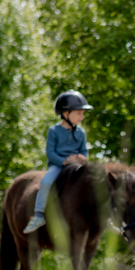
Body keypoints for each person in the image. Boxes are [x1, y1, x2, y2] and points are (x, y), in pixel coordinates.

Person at [23, 91, 92, 234]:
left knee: (95, 182)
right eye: (79, 113)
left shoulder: (81, 133)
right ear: (66, 113)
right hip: (58, 166)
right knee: (46, 182)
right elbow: (50, 153)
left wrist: (82, 158)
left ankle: (104, 216)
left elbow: (84, 151)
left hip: (78, 167)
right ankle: (39, 215)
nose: (82, 117)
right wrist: (64, 161)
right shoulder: (53, 131)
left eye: (83, 113)